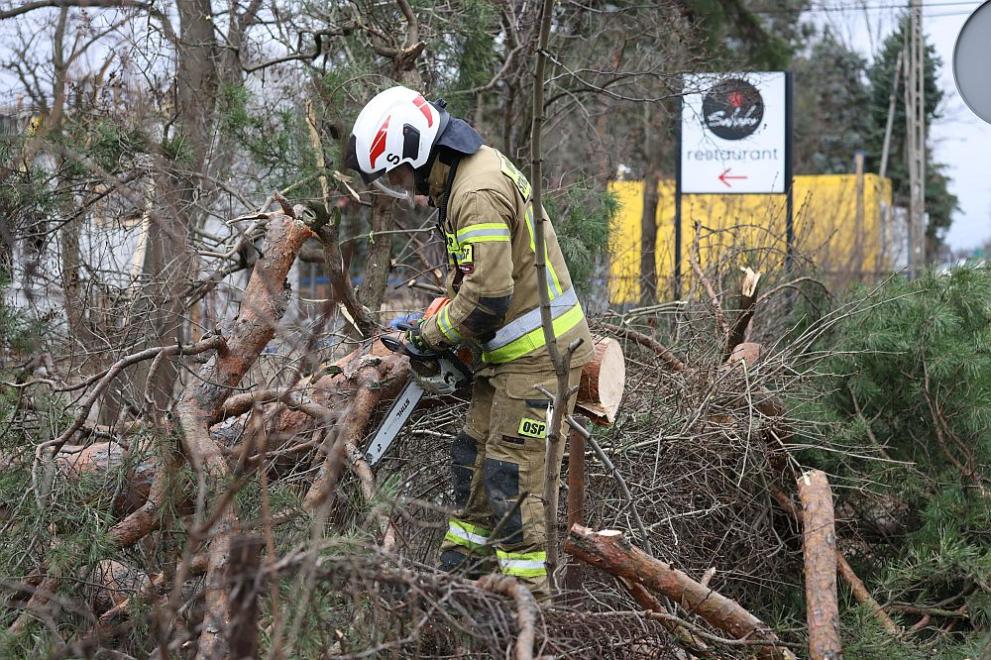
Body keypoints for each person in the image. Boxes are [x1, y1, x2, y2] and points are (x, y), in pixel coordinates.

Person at [345, 86, 594, 597]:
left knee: (511, 477)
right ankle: (458, 594)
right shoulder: (464, 176)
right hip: (506, 358)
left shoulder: (475, 192)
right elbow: (475, 275)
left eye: (396, 174)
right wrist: (437, 312)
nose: (401, 187)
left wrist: (429, 333)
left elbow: (486, 300)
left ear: (413, 151)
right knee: (474, 464)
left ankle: (533, 612)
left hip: (538, 359)